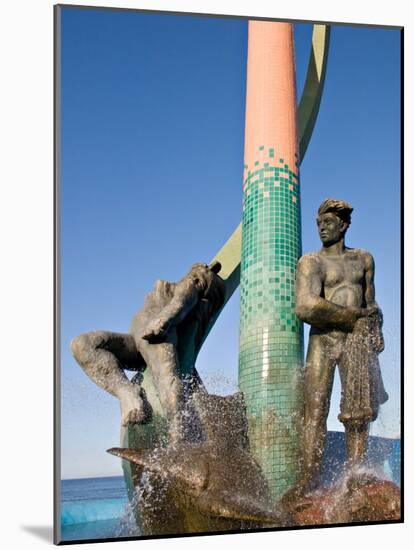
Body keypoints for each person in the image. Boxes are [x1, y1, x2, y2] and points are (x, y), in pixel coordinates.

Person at [293, 198, 387, 494]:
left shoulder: (364, 259)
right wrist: (353, 317)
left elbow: (370, 302)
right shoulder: (312, 262)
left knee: (359, 410)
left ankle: (356, 470)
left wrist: (375, 324)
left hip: (356, 341)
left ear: (344, 225)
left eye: (328, 224)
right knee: (315, 409)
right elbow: (305, 307)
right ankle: (310, 475)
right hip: (323, 339)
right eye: (319, 224)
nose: (322, 229)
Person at [71, 261, 225, 441]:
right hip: (135, 340)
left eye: (198, 278)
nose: (192, 278)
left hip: (157, 336)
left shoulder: (193, 284)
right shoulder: (169, 290)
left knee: (168, 383)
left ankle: (179, 440)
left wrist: (165, 319)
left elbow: (183, 299)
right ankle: (126, 391)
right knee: (82, 344)